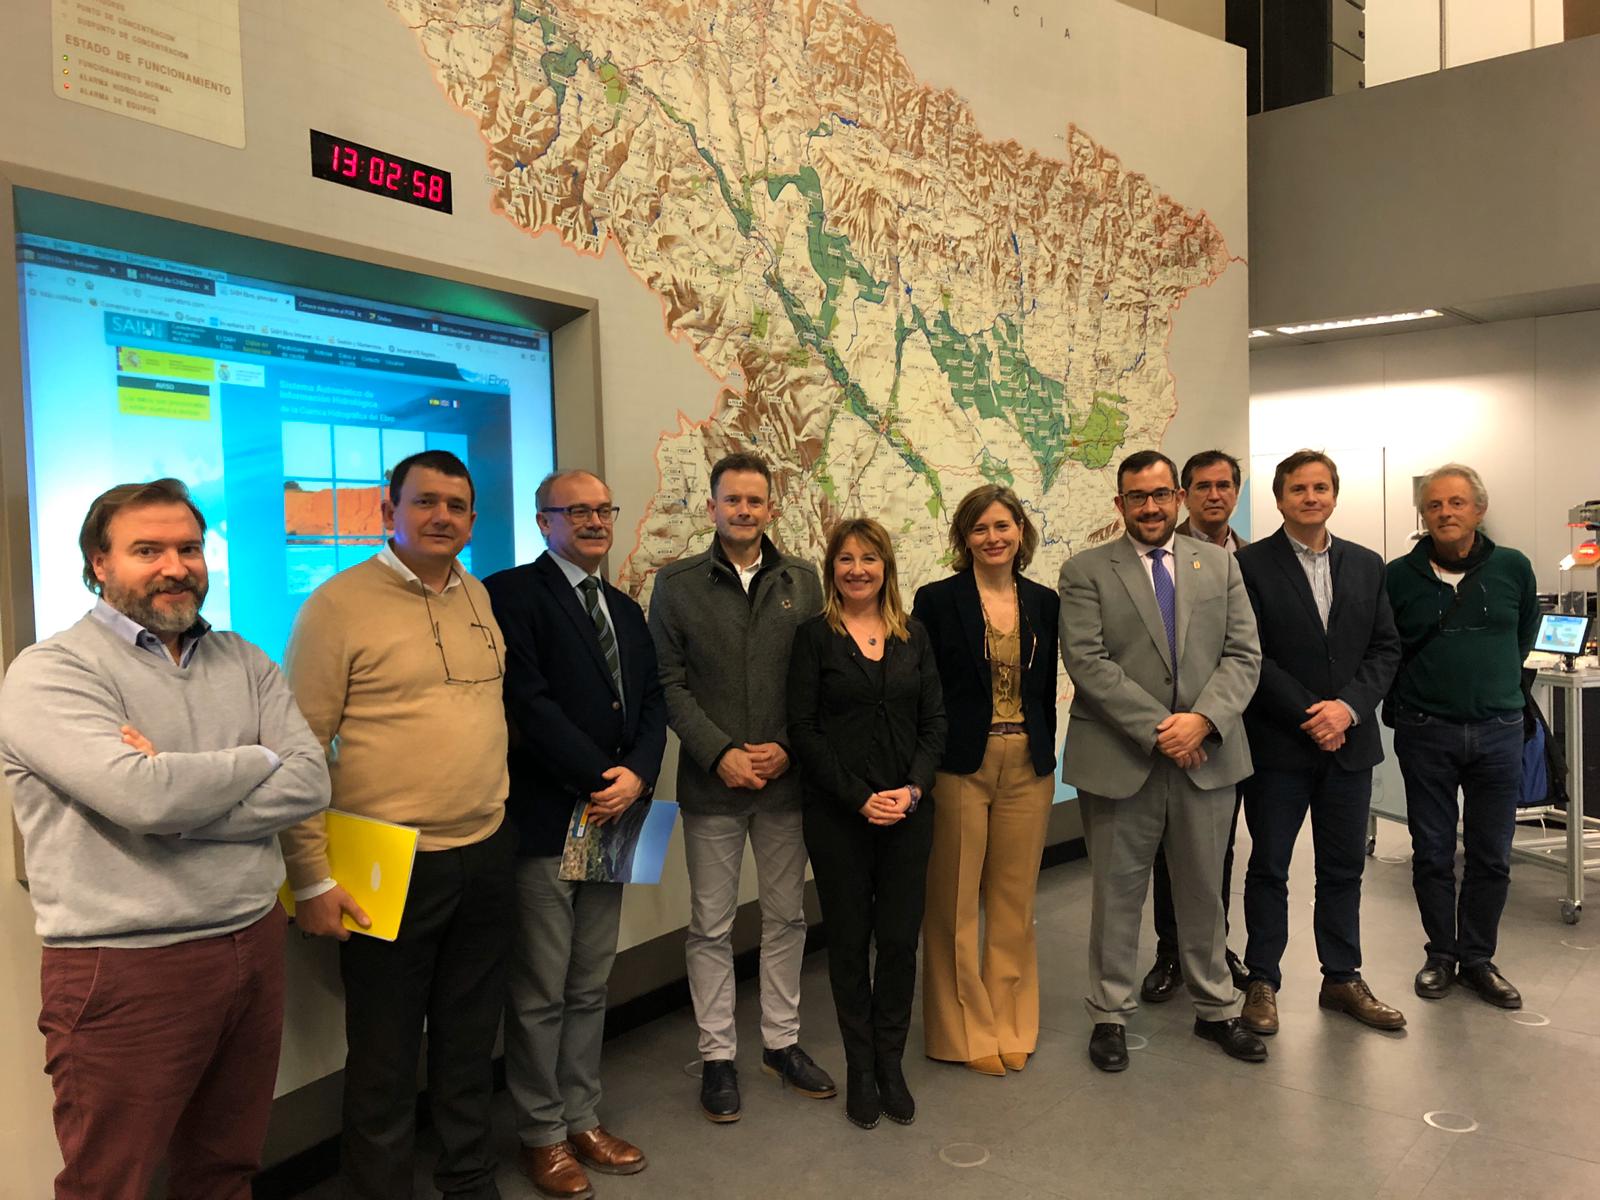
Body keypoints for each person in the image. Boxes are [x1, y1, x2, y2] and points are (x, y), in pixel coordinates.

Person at [0, 478, 329, 1200]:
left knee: (226, 1168)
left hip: (253, 940)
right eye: (147, 550)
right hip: (127, 967)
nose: (175, 567)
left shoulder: (244, 659)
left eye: (188, 548)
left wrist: (177, 794)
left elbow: (310, 781)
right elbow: (140, 797)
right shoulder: (51, 671)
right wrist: (257, 757)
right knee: (110, 1182)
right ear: (98, 563)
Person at [281, 450, 516, 1200]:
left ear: (472, 521)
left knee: (469, 1038)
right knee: (384, 1053)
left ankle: (468, 1178)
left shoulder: (478, 595)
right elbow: (298, 751)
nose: (442, 516)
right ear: (390, 512)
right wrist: (309, 877)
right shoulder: (336, 606)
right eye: (425, 502)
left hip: (484, 849)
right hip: (387, 861)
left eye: (456, 505)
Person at [484, 468, 666, 1199]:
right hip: (547, 819)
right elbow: (526, 704)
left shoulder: (624, 607)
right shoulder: (510, 595)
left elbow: (652, 703)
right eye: (576, 511)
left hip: (617, 816)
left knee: (590, 982)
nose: (594, 521)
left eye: (603, 510)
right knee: (540, 991)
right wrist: (600, 777)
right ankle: (542, 1134)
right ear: (543, 521)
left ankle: (583, 1118)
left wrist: (639, 777)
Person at [1058, 449, 1264, 1072]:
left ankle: (1216, 1008)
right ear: (1119, 504)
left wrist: (1203, 721)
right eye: (1136, 497)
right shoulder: (1086, 570)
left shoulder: (1220, 564)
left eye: (1159, 495)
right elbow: (1088, 661)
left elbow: (1243, 654)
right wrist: (1162, 729)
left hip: (1207, 758)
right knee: (1116, 895)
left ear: (1177, 497)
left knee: (1204, 892)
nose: (1149, 507)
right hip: (1122, 758)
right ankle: (1110, 1014)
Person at [647, 453, 835, 1122]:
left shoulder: (804, 581)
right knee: (711, 925)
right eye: (733, 500)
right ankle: (718, 1055)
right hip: (713, 787)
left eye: (755, 500)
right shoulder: (676, 585)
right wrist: (720, 752)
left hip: (786, 783)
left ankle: (781, 1044)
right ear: (712, 508)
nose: (745, 511)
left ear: (770, 508)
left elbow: (818, 677)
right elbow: (667, 684)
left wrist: (786, 747)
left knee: (786, 917)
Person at [1236, 451, 1405, 1036]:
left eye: (1320, 488)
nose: (1311, 498)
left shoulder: (1367, 564)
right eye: (1298, 489)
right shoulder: (1250, 566)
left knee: (1342, 868)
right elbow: (1251, 654)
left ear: (1334, 494)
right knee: (1269, 867)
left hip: (1349, 747)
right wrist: (1313, 714)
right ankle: (1262, 980)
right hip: (1279, 746)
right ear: (1279, 498)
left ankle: (1342, 978)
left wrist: (1347, 709)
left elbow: (1385, 648)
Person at [786, 518, 945, 1129]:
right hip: (838, 817)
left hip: (908, 813)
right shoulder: (814, 638)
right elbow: (804, 730)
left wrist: (914, 788)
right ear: (832, 568)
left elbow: (935, 722)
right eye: (846, 559)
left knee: (900, 942)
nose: (858, 569)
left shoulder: (914, 635)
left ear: (886, 567)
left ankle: (890, 1064)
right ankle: (860, 1068)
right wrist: (859, 798)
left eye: (869, 558)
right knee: (850, 944)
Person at [914, 484, 1060, 1076]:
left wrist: (1044, 750)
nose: (993, 538)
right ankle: (961, 1031)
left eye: (1003, 526)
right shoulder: (936, 600)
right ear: (964, 537)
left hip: (1027, 761)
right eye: (980, 528)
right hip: (959, 766)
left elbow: (1044, 690)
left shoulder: (1044, 601)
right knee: (952, 903)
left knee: (1014, 901)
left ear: (1021, 531)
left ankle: (1011, 1021)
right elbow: (924, 690)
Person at [1386, 463, 1539, 1009]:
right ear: (1423, 515)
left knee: (1491, 853)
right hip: (1425, 731)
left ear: (1479, 509)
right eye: (1434, 505)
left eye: (1456, 503)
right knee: (1431, 851)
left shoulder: (1513, 567)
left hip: (1499, 730)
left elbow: (1524, 635)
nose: (1445, 513)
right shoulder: (1398, 575)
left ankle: (1477, 958)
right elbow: (1387, 646)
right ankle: (1441, 955)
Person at [1142, 449, 1250, 1003]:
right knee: (1171, 853)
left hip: (1234, 731)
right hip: (1173, 735)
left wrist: (1212, 719)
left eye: (1224, 485)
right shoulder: (1157, 553)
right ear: (1185, 495)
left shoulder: (1249, 557)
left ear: (1237, 492)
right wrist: (1182, 728)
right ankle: (1171, 950)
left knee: (1218, 852)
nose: (1215, 495)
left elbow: (1249, 648)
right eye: (1203, 486)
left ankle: (1214, 947)